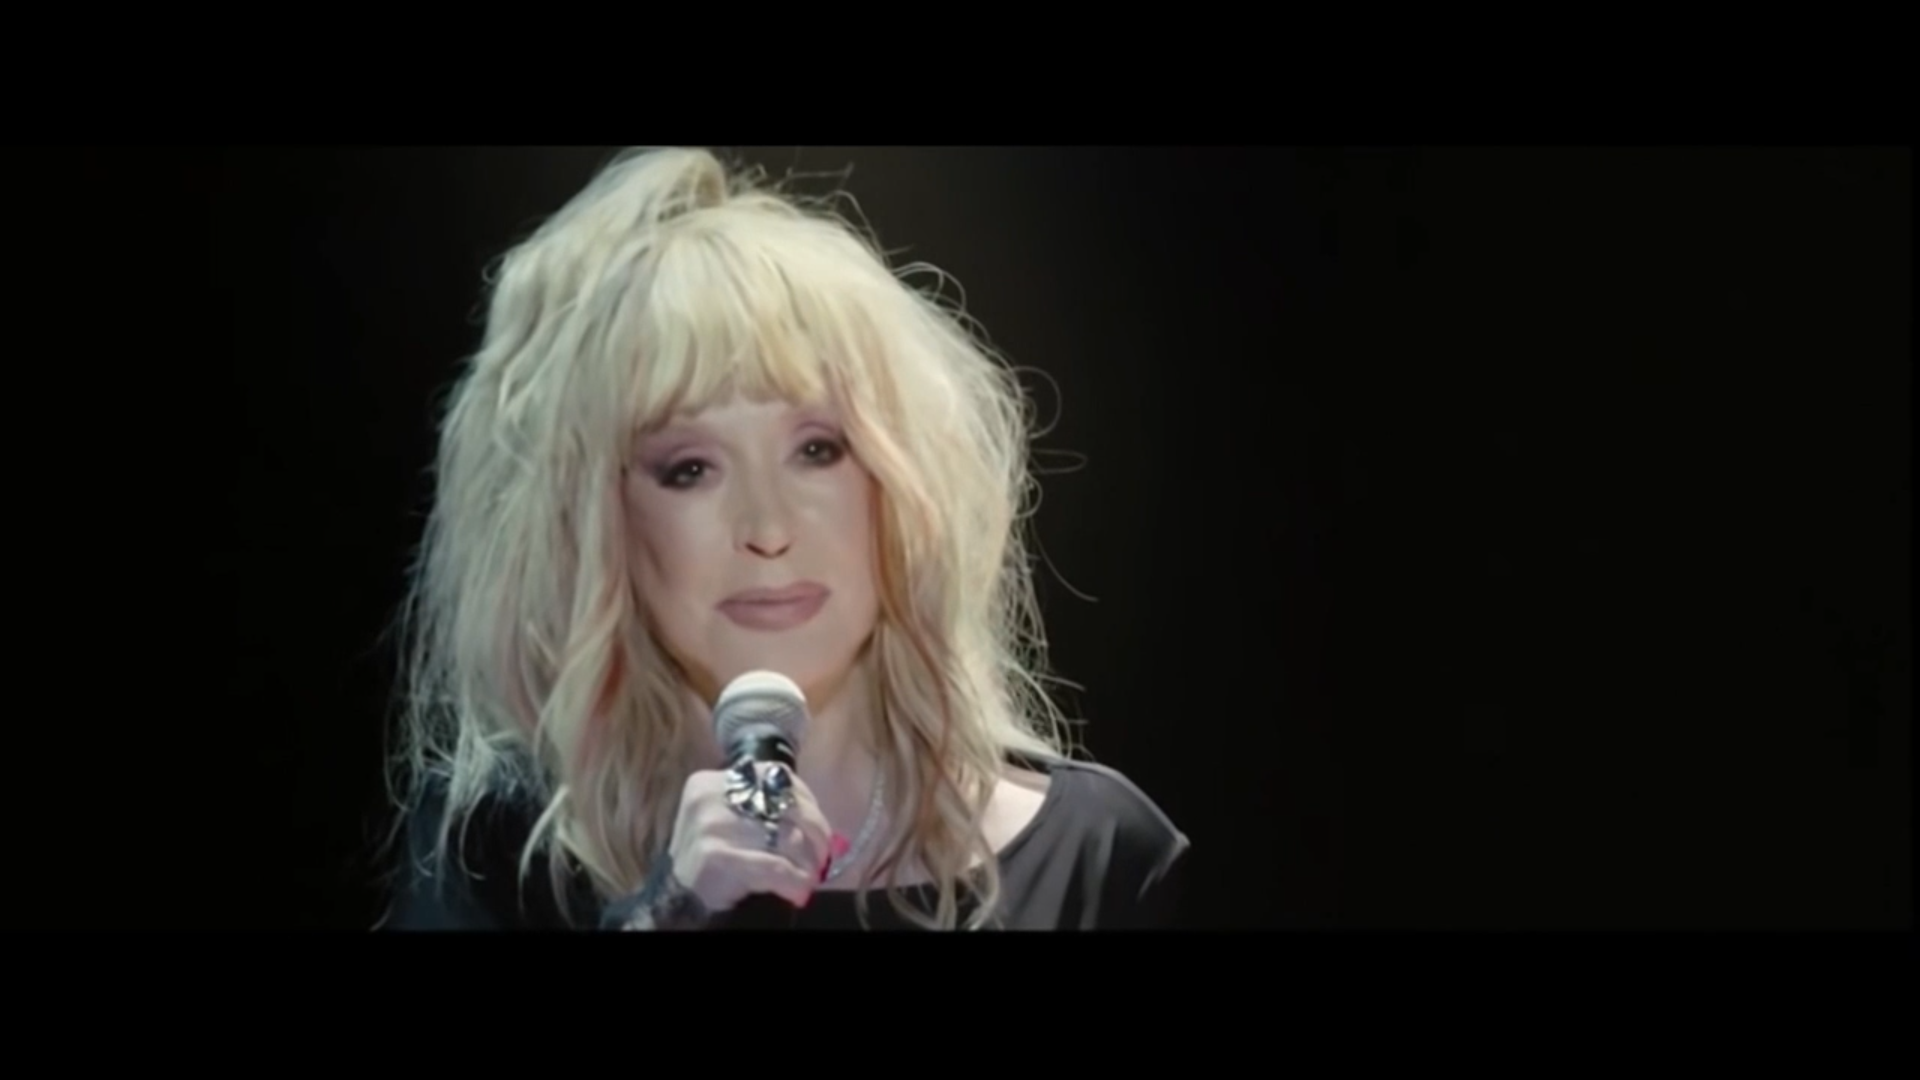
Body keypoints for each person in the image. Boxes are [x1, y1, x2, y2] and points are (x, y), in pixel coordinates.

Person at [378, 147, 1187, 930]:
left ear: (899, 480)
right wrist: (670, 913)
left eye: (817, 451)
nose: (767, 530)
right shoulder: (497, 861)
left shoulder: (1097, 855)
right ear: (597, 523)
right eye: (691, 469)